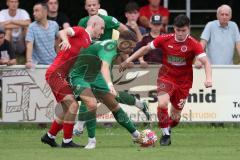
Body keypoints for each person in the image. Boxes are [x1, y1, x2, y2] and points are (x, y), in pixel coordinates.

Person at [119, 14, 212, 146]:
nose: (180, 33)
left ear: (189, 29)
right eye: (178, 30)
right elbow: (145, 48)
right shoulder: (165, 39)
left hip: (183, 82)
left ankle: (168, 126)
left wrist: (208, 79)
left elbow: (206, 62)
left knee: (175, 117)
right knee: (162, 104)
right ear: (173, 28)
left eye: (183, 30)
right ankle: (165, 135)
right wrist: (128, 59)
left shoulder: (193, 43)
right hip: (166, 77)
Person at [73, 0, 150, 139]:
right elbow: (77, 40)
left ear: (99, 6)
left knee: (106, 98)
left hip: (103, 64)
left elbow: (126, 35)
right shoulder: (82, 22)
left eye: (94, 5)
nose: (102, 31)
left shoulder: (109, 22)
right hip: (88, 65)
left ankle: (79, 127)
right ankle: (136, 125)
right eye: (89, 5)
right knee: (107, 97)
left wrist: (126, 55)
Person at [69, 30, 141, 149]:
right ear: (123, 42)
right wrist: (110, 85)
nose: (131, 50)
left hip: (94, 75)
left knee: (113, 104)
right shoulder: (110, 48)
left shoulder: (116, 47)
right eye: (131, 47)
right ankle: (91, 141)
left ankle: (135, 134)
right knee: (91, 105)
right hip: (79, 75)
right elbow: (105, 68)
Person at [40, 15, 105, 148]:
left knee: (66, 108)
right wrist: (65, 40)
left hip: (62, 75)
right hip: (55, 73)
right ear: (93, 25)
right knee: (73, 105)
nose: (102, 32)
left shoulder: (88, 42)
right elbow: (62, 32)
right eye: (102, 28)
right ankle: (67, 141)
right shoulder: (81, 31)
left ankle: (50, 136)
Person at [25, 2, 59, 68]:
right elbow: (29, 45)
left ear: (45, 12)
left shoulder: (54, 25)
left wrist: (60, 58)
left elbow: (57, 43)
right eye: (34, 11)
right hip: (37, 65)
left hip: (53, 63)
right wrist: (29, 61)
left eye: (37, 11)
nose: (34, 14)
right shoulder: (32, 27)